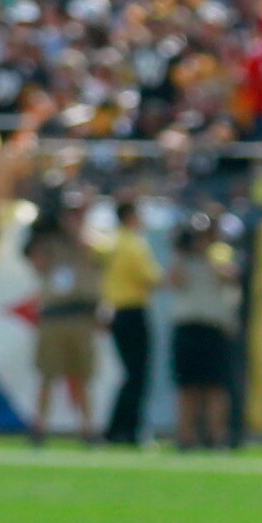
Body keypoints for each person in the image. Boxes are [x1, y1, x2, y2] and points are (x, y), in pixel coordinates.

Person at [164, 209, 241, 452]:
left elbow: (228, 277)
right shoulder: (183, 258)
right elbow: (174, 281)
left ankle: (216, 436)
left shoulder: (222, 254)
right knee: (187, 386)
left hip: (213, 327)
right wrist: (180, 251)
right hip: (187, 326)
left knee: (215, 386)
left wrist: (208, 253)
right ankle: (186, 435)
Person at [28, 202, 105, 445]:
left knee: (81, 375)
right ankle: (39, 427)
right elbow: (35, 260)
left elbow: (98, 254)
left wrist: (76, 232)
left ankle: (88, 428)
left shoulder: (92, 241)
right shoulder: (50, 244)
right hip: (55, 315)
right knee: (48, 374)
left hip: (82, 316)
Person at [101, 188, 162, 448]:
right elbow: (152, 278)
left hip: (116, 312)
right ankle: (128, 430)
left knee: (129, 374)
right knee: (138, 375)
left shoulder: (112, 242)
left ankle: (118, 428)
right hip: (133, 311)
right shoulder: (134, 244)